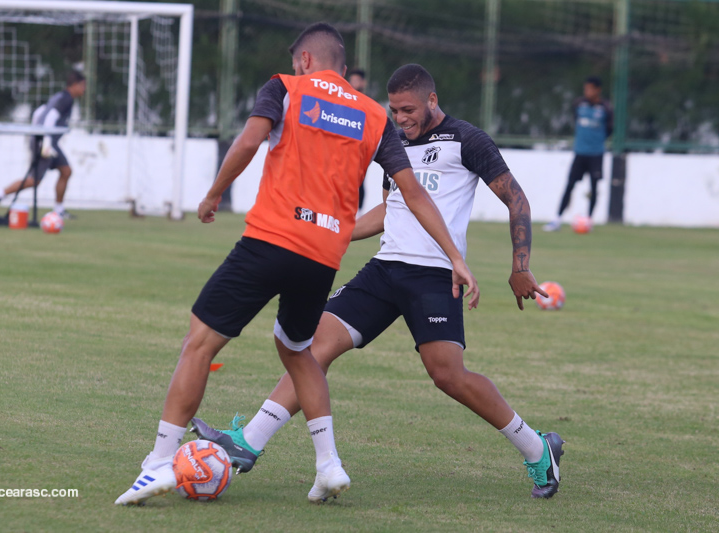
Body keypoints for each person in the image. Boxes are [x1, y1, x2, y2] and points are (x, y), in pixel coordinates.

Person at [114, 26, 478, 506]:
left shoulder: (285, 88)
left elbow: (248, 141)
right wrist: (456, 256)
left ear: (305, 59)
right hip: (323, 256)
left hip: (270, 240)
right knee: (298, 349)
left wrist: (213, 193)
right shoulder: (372, 114)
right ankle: (328, 464)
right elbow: (412, 192)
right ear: (343, 69)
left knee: (200, 341)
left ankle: (158, 463)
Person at [192, 63, 566, 500]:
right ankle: (249, 441)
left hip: (433, 277)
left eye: (408, 109)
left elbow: (516, 198)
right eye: (393, 110)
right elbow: (390, 210)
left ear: (432, 100)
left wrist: (521, 264)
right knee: (312, 348)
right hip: (384, 270)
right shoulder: (392, 142)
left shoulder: (467, 140)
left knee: (448, 375)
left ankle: (538, 448)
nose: (400, 117)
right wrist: (334, 230)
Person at [0, 70, 86, 219]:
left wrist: (36, 132)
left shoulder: (60, 96)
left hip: (47, 141)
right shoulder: (66, 99)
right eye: (83, 85)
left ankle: (58, 210)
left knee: (66, 171)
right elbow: (51, 116)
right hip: (44, 142)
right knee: (34, 180)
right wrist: (45, 142)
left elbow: (39, 112)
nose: (84, 89)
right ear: (75, 85)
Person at [544, 75, 613, 231]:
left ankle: (588, 220)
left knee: (594, 187)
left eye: (590, 89)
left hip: (596, 154)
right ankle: (557, 219)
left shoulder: (606, 108)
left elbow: (610, 129)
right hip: (580, 152)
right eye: (585, 88)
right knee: (570, 185)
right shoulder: (578, 104)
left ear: (598, 90)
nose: (587, 91)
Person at [347, 68, 368, 209]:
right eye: (352, 80)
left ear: (363, 83)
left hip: (359, 147)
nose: (353, 83)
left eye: (356, 80)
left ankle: (358, 212)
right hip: (345, 146)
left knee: (358, 179)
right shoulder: (344, 100)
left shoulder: (366, 104)